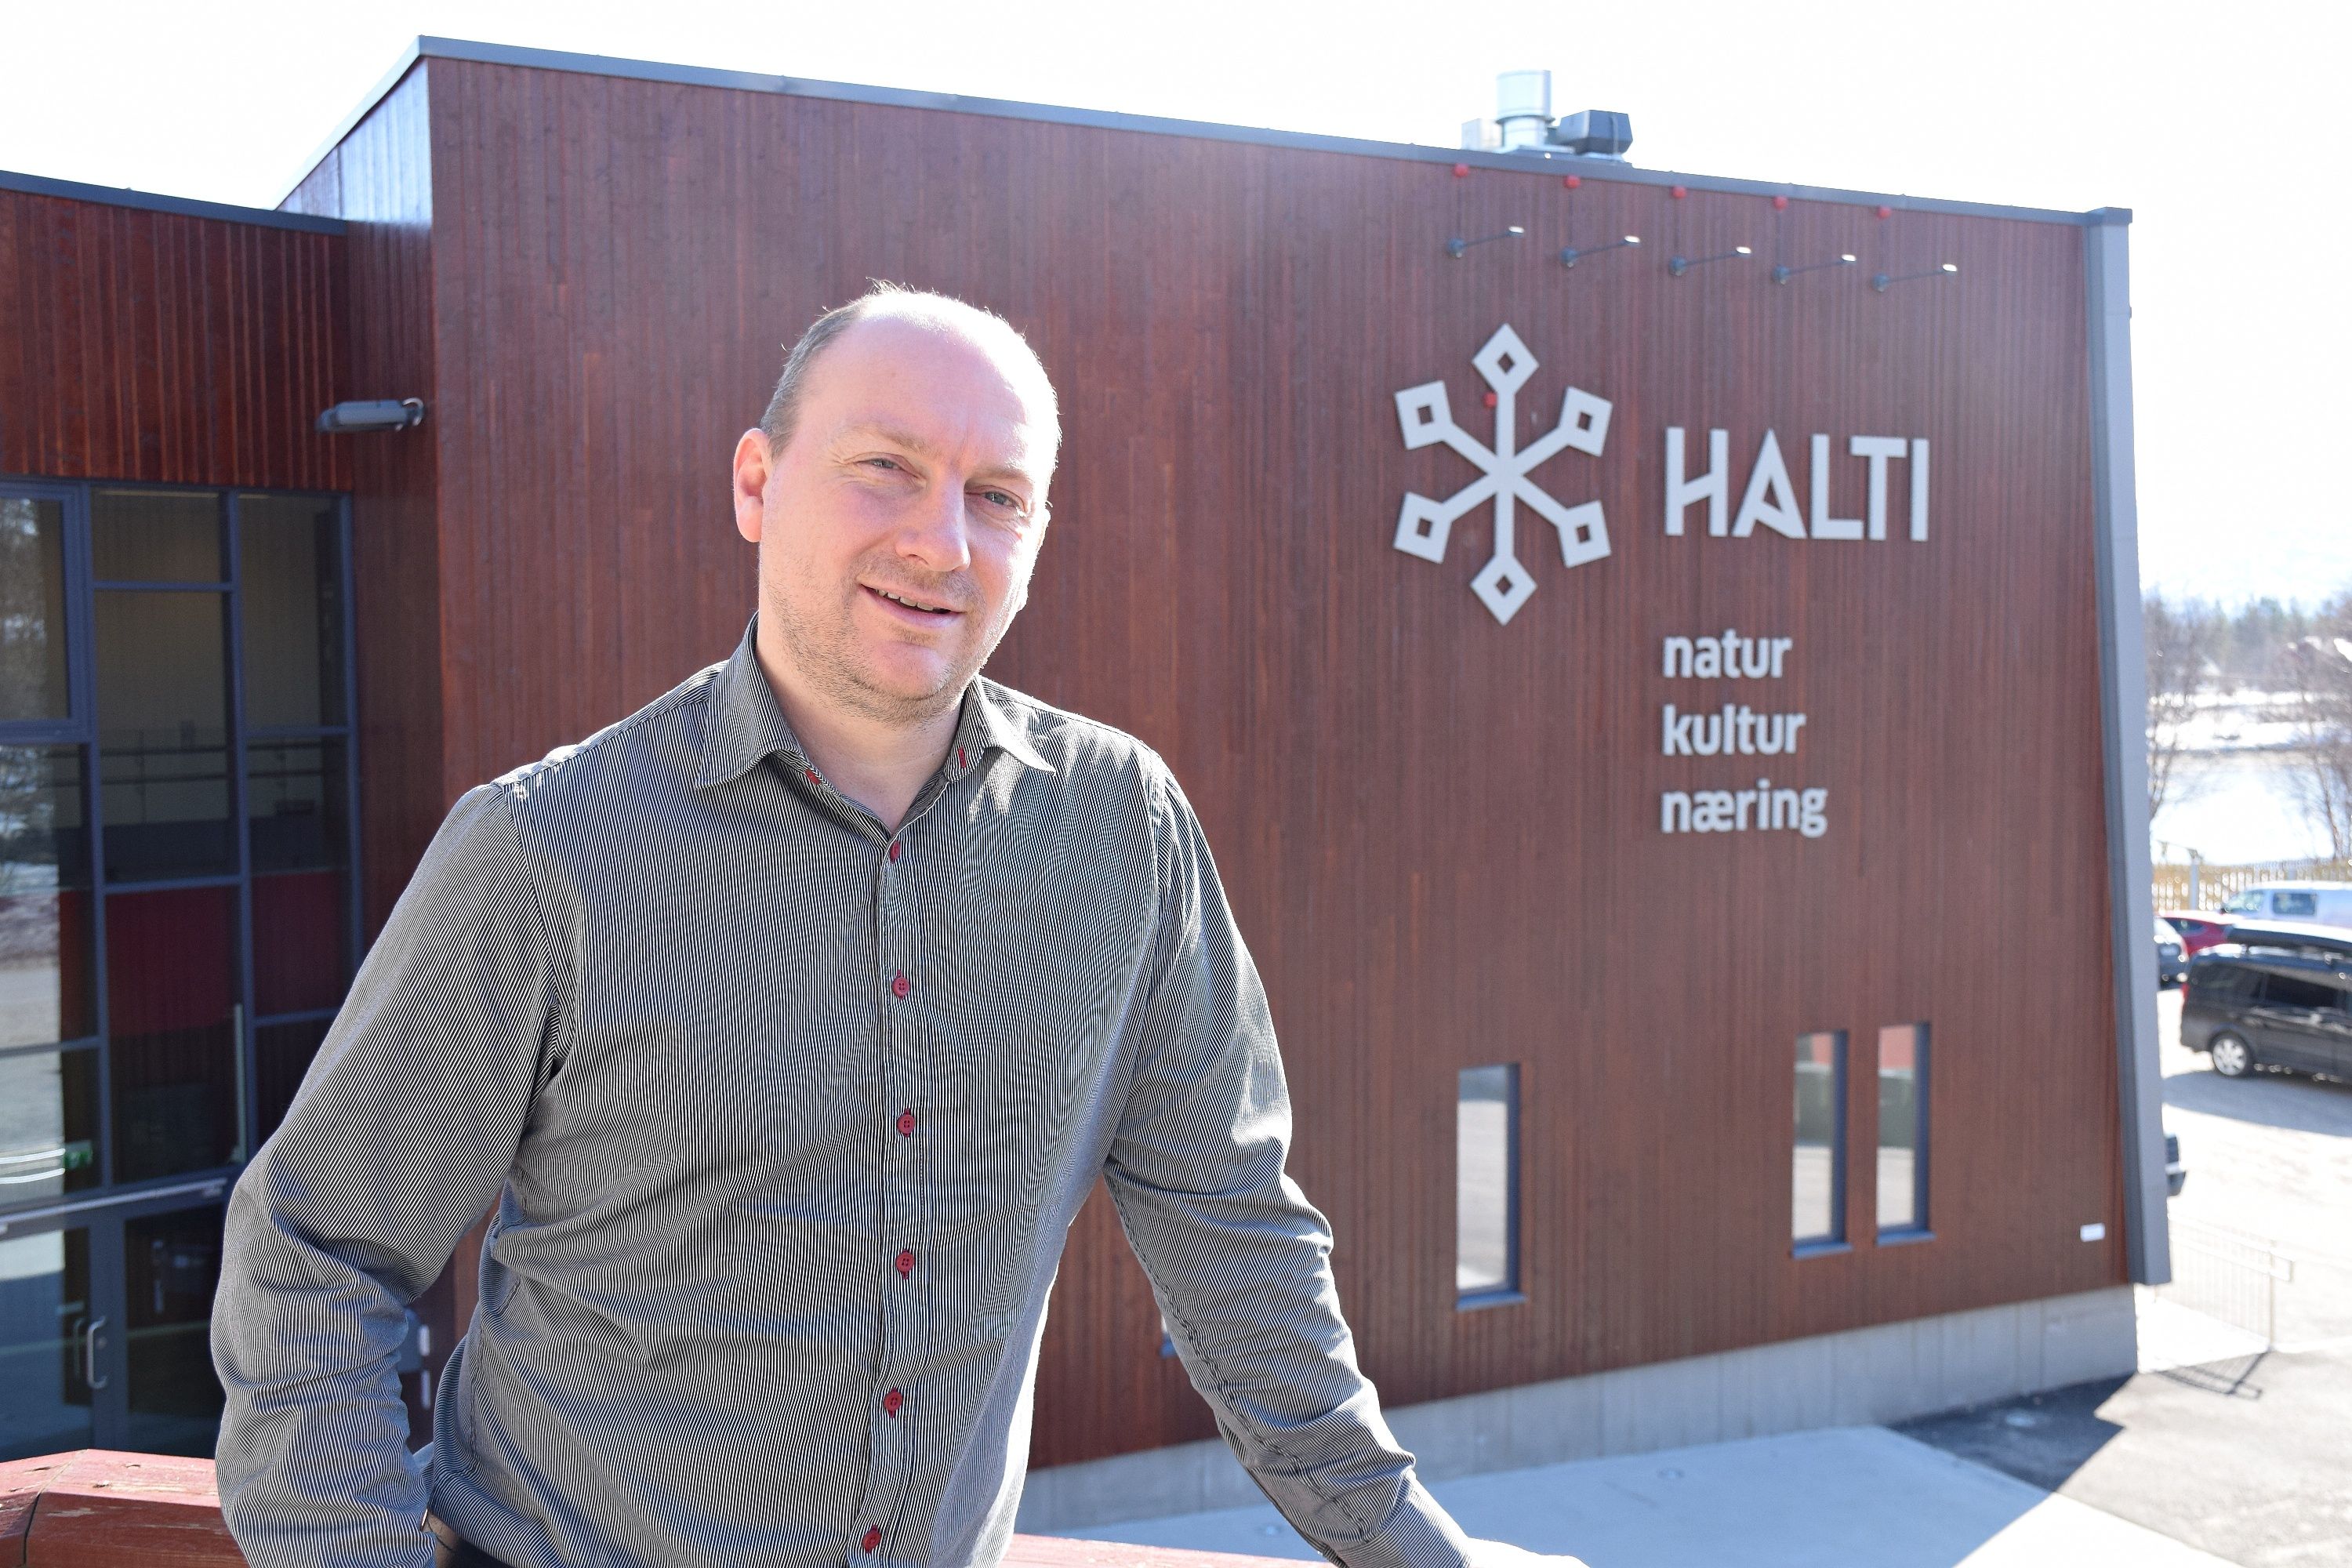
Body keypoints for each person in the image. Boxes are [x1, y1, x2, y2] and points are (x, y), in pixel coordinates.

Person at [213, 285, 1581, 1568]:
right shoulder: (542, 851)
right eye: (886, 467)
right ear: (757, 485)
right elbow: (314, 1256)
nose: (942, 544)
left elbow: (1232, 1228)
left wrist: (1409, 1547)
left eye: (998, 497)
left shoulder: (1124, 828)